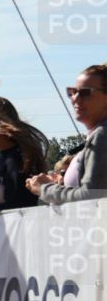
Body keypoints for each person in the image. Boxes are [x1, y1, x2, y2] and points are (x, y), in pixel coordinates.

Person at [27, 64, 107, 204]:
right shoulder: (97, 135)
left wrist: (45, 188)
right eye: (72, 91)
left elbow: (92, 198)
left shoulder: (102, 135)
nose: (75, 98)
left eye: (85, 92)